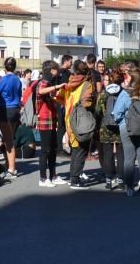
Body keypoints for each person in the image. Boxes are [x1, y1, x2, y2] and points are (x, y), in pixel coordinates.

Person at [112, 70, 140, 197]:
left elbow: (116, 113)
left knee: (129, 158)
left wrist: (123, 122)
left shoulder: (125, 93)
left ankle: (129, 188)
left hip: (127, 127)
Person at [58, 60, 95, 189]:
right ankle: (75, 179)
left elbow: (60, 97)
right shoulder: (86, 84)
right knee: (81, 149)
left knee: (75, 149)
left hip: (69, 118)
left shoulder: (69, 82)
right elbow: (87, 102)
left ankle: (73, 177)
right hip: (80, 118)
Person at [30, 60, 65, 187]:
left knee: (53, 149)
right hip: (45, 120)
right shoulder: (43, 82)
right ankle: (43, 178)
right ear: (51, 70)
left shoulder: (48, 82)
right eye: (56, 69)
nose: (58, 72)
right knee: (45, 150)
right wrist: (57, 87)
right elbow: (41, 91)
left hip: (50, 120)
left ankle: (53, 176)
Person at [97, 68, 125, 190]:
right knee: (121, 154)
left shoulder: (103, 93)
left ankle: (108, 180)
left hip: (105, 126)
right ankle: (121, 179)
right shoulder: (123, 92)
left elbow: (97, 110)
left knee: (107, 154)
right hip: (120, 125)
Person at [0, 57, 23, 180]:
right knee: (9, 138)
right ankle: (9, 166)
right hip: (15, 110)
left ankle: (12, 169)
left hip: (5, 109)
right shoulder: (17, 79)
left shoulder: (3, 80)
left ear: (5, 66)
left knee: (8, 141)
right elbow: (19, 94)